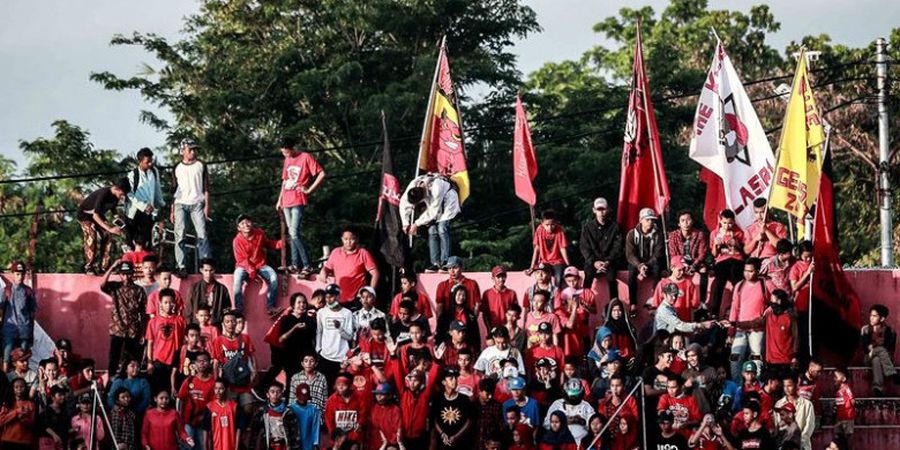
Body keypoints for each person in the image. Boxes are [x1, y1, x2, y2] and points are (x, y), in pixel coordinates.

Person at [275, 138, 326, 276]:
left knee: (294, 232)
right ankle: (295, 264)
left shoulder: (305, 157)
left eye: (287, 152)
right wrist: (279, 199)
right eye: (283, 152)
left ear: (292, 148)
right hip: (286, 199)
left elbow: (322, 173)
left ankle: (307, 264)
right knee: (291, 235)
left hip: (298, 199)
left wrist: (309, 190)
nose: (286, 155)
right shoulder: (287, 160)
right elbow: (285, 181)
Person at [725, 289, 798, 376]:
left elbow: (796, 337)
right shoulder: (768, 316)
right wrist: (734, 323)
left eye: (774, 300)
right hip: (771, 361)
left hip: (786, 361)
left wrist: (795, 356)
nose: (772, 303)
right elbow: (752, 323)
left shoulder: (790, 318)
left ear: (780, 301)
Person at [399, 172, 461, 272]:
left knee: (442, 228)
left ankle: (445, 262)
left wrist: (416, 224)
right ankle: (435, 263)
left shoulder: (436, 187)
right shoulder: (413, 185)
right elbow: (403, 204)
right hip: (432, 204)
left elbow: (432, 212)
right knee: (432, 230)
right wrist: (405, 223)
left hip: (448, 199)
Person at [171, 138, 211, 277]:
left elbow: (206, 187)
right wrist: (172, 210)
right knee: (180, 234)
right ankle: (180, 265)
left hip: (197, 203)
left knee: (202, 234)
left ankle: (204, 262)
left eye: (194, 149)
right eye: (190, 150)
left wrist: (207, 206)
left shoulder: (201, 165)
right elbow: (174, 189)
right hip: (180, 203)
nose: (193, 152)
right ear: (183, 151)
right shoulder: (177, 167)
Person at [726, 258, 770, 380]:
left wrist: (764, 317)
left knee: (757, 358)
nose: (747, 274)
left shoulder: (765, 284)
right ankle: (737, 385)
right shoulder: (739, 286)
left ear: (757, 271)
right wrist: (731, 330)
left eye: (750, 271)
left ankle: (758, 386)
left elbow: (774, 303)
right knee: (735, 357)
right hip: (740, 328)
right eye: (745, 270)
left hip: (757, 329)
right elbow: (734, 308)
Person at [101, 260, 148, 374]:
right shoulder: (115, 287)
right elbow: (102, 285)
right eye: (123, 274)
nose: (126, 276)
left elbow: (143, 312)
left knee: (131, 360)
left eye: (128, 273)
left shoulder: (139, 290)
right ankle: (111, 383)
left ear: (132, 273)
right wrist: (112, 267)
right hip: (117, 329)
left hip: (133, 331)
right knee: (114, 359)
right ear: (120, 275)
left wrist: (143, 332)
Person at [77, 178, 130, 274]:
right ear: (116, 188)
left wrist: (119, 220)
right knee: (91, 234)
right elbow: (95, 216)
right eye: (122, 194)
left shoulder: (115, 197)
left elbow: (113, 210)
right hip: (85, 215)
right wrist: (110, 228)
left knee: (107, 236)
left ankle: (104, 266)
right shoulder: (104, 193)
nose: (122, 197)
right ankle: (89, 266)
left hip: (97, 215)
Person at [231, 214, 282, 314]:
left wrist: (281, 243)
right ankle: (239, 308)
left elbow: (268, 244)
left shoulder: (259, 234)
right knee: (237, 280)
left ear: (252, 223)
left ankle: (270, 307)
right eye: (242, 223)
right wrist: (252, 272)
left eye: (248, 222)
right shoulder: (237, 241)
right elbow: (241, 259)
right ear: (239, 228)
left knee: (274, 278)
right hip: (244, 266)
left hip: (260, 264)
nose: (246, 225)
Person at [209, 310, 257, 413]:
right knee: (231, 410)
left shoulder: (245, 338)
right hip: (228, 383)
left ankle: (244, 428)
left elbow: (252, 356)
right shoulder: (218, 341)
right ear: (223, 324)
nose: (230, 324)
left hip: (244, 381)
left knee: (248, 407)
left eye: (233, 321)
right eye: (227, 322)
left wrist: (254, 372)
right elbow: (216, 363)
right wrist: (217, 380)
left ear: (236, 323)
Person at [579, 197, 624, 301]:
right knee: (588, 277)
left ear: (607, 209)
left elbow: (618, 247)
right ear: (594, 210)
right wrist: (594, 262)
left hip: (610, 261)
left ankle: (614, 306)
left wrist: (608, 261)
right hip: (592, 261)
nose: (601, 212)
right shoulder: (587, 227)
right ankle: (584, 303)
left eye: (603, 209)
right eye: (599, 210)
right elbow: (584, 247)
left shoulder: (615, 226)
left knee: (612, 279)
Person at [320, 228, 379, 308]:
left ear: (357, 239)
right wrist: (323, 271)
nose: (348, 242)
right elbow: (327, 268)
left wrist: (370, 292)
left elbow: (375, 273)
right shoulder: (335, 252)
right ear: (342, 239)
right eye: (346, 239)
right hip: (338, 299)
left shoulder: (363, 253)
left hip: (357, 299)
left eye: (352, 239)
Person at [145, 289, 187, 394]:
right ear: (161, 304)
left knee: (173, 392)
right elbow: (150, 343)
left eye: (171, 302)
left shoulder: (180, 321)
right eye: (166, 302)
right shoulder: (153, 322)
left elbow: (184, 341)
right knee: (159, 392)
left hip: (175, 361)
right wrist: (150, 362)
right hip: (158, 360)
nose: (168, 305)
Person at [315, 284, 356, 387]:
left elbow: (350, 337)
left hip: (341, 358)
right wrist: (318, 348)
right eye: (327, 297)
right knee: (324, 386)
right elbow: (319, 331)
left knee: (340, 386)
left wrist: (340, 328)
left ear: (338, 296)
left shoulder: (347, 313)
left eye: (332, 296)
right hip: (325, 356)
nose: (329, 299)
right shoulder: (321, 312)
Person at [624, 208, 665, 309]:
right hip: (637, 263)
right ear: (640, 220)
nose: (650, 222)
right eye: (647, 220)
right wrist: (640, 265)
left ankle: (655, 299)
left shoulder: (658, 234)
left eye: (652, 220)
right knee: (632, 273)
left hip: (652, 262)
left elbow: (658, 253)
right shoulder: (632, 234)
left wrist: (647, 265)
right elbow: (630, 254)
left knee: (657, 269)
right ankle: (633, 303)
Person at [125, 147, 165, 250]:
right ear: (140, 161)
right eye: (147, 162)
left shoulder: (154, 172)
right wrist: (143, 206)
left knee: (147, 242)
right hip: (134, 214)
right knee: (133, 244)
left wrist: (161, 206)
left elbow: (157, 189)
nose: (150, 164)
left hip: (149, 213)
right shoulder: (132, 175)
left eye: (151, 161)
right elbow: (129, 195)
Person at [668, 210, 710, 305]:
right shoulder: (673, 236)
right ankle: (672, 298)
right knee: (675, 272)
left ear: (692, 221)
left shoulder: (699, 234)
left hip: (695, 261)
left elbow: (702, 254)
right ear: (679, 224)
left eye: (688, 220)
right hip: (680, 261)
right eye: (682, 221)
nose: (686, 223)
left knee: (704, 270)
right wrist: (684, 265)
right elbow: (674, 254)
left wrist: (694, 266)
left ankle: (702, 301)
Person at [709, 209, 745, 318]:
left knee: (737, 282)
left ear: (733, 222)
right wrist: (716, 245)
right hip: (722, 261)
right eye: (724, 223)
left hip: (736, 260)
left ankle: (739, 309)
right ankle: (714, 312)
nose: (727, 225)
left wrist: (737, 244)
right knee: (719, 282)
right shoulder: (715, 233)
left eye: (729, 223)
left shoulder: (739, 232)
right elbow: (714, 254)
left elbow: (745, 251)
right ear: (720, 221)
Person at [175, 351, 215, 450]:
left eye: (205, 361)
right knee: (186, 447)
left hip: (204, 424)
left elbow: (214, 405)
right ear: (195, 364)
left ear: (210, 363)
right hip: (188, 422)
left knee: (203, 446)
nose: (202, 363)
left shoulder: (214, 383)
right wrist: (178, 417)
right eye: (199, 361)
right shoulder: (189, 380)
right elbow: (179, 399)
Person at [1, 262, 36, 371]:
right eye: (17, 274)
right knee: (6, 356)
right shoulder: (7, 290)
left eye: (22, 274)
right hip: (9, 329)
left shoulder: (28, 291)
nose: (20, 277)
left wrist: (31, 331)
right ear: (13, 274)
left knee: (23, 358)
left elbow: (32, 312)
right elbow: (1, 308)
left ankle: (23, 382)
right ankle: (4, 383)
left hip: (24, 330)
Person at [430, 369, 475, 449]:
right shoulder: (437, 399)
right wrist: (442, 434)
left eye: (455, 378)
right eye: (451, 379)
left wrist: (456, 436)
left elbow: (470, 420)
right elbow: (435, 419)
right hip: (443, 442)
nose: (454, 380)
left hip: (461, 443)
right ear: (444, 382)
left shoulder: (464, 399)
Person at [248, 382, 299, 450]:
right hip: (268, 445)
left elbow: (294, 434)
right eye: (272, 392)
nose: (275, 394)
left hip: (284, 446)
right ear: (267, 395)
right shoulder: (262, 411)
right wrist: (251, 447)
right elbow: (254, 432)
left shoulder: (288, 412)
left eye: (278, 392)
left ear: (282, 394)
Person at [861, 304, 897, 396]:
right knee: (880, 349)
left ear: (882, 319)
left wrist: (873, 347)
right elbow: (865, 347)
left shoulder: (890, 331)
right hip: (868, 357)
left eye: (874, 316)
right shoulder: (865, 329)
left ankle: (878, 389)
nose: (871, 318)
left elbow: (889, 348)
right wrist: (878, 345)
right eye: (871, 315)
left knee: (876, 360)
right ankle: (892, 374)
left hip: (884, 358)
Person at [649, 257, 699, 322]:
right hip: (668, 324)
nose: (682, 272)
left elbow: (695, 304)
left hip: (684, 323)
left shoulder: (689, 283)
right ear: (672, 268)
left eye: (683, 269)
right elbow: (656, 304)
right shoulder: (663, 283)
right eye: (679, 270)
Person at [529, 210, 571, 285]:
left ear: (556, 223)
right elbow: (537, 248)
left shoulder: (559, 230)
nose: (550, 227)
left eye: (552, 224)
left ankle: (556, 295)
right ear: (542, 223)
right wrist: (532, 266)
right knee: (542, 278)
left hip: (557, 261)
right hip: (544, 261)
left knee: (558, 279)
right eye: (547, 225)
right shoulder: (539, 230)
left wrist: (568, 265)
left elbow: (562, 248)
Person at [186, 258, 232, 326]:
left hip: (216, 325)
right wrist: (190, 326)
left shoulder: (222, 289)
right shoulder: (194, 288)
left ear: (214, 270)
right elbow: (189, 309)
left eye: (211, 270)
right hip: (198, 326)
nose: (208, 273)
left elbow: (227, 309)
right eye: (206, 270)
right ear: (201, 270)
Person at [323, 373, 367, 444]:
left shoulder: (359, 398)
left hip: (355, 436)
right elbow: (329, 419)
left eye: (344, 385)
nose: (340, 387)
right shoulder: (331, 400)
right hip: (338, 437)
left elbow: (363, 414)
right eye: (338, 385)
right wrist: (334, 434)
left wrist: (360, 424)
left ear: (350, 386)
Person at [774, 374, 814, 450]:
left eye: (789, 385)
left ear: (796, 384)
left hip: (802, 446)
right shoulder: (779, 404)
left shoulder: (807, 404)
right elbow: (778, 425)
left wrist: (799, 442)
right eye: (784, 386)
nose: (786, 389)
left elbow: (809, 427)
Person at [0, 378, 37, 449]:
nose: (19, 389)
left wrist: (23, 419)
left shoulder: (30, 404)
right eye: (16, 387)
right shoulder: (7, 403)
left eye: (22, 387)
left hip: (25, 441)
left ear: (26, 388)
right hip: (8, 439)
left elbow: (33, 424)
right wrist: (16, 412)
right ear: (12, 389)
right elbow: (1, 421)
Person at [204, 379, 239, 450]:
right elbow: (206, 429)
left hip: (230, 446)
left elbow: (239, 428)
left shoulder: (234, 407)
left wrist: (236, 447)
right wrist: (205, 447)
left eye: (221, 389)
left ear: (226, 390)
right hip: (216, 446)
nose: (218, 391)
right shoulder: (209, 407)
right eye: (216, 388)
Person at [482, 265, 518, 330]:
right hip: (493, 328)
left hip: (508, 329)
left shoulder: (512, 293)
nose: (501, 279)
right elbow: (485, 313)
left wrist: (512, 327)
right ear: (493, 278)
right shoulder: (487, 294)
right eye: (498, 277)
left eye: (503, 276)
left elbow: (515, 313)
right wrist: (489, 329)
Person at [833, 367, 856, 449]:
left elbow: (852, 400)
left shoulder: (846, 388)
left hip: (847, 418)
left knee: (848, 437)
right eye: (834, 377)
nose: (834, 379)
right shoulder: (838, 391)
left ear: (844, 379)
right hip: (839, 418)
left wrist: (851, 412)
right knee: (839, 437)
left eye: (836, 377)